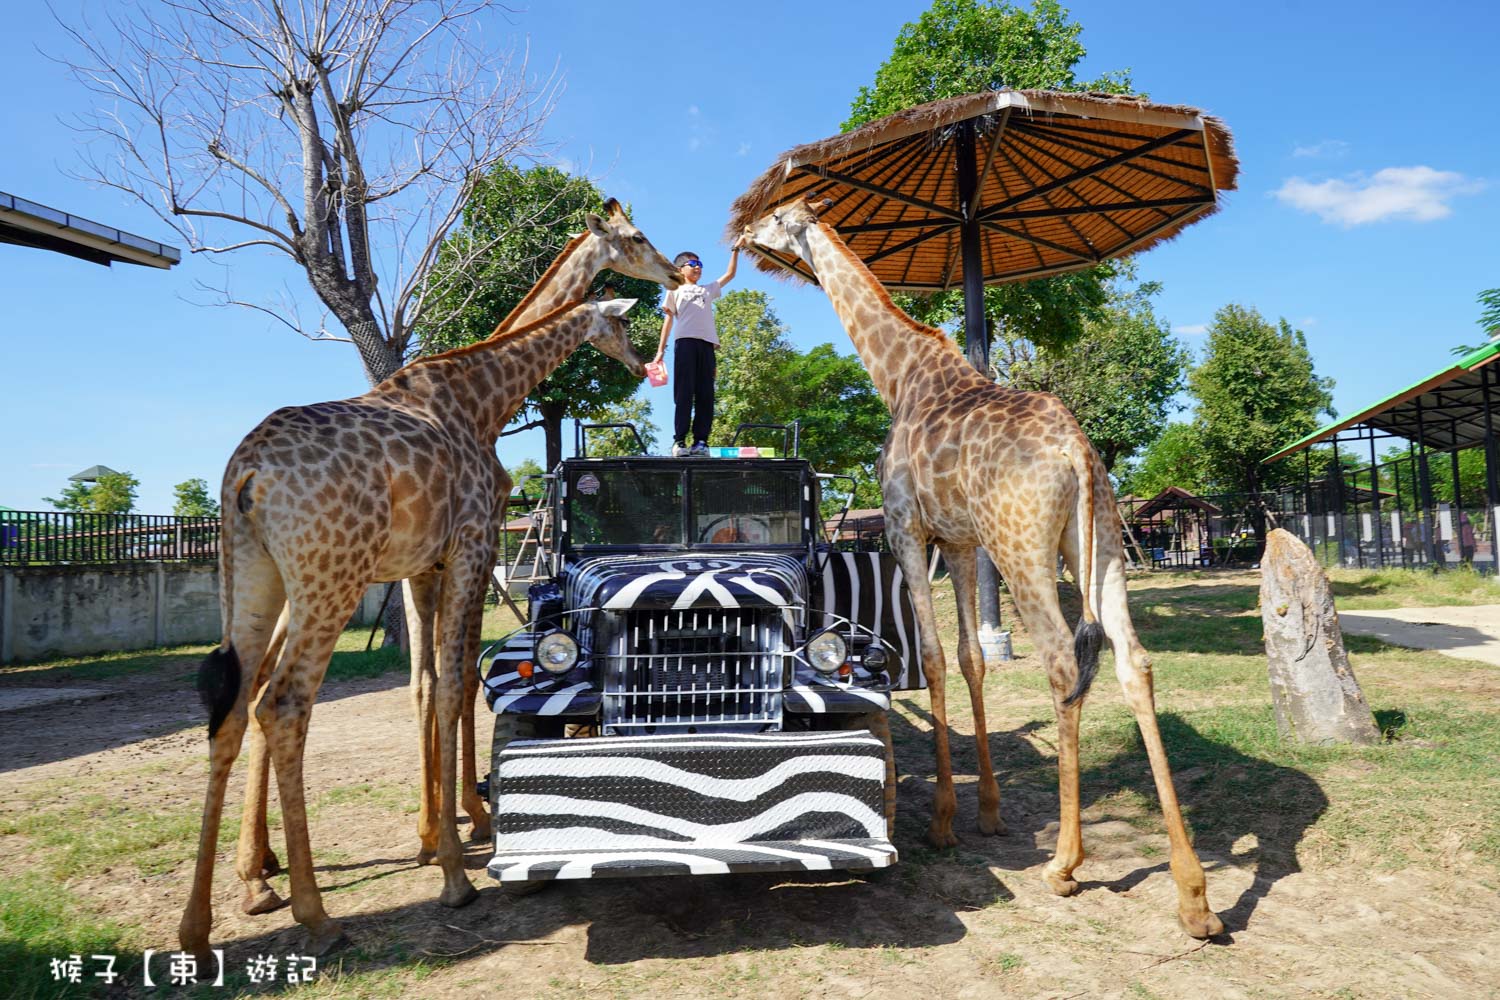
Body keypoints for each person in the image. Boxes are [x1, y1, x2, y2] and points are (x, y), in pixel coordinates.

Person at [653, 239, 744, 456]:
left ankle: (701, 441)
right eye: (692, 263)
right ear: (680, 268)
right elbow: (668, 320)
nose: (697, 267)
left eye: (700, 264)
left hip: (707, 346)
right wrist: (660, 351)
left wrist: (736, 249)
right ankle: (679, 441)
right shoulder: (675, 289)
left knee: (706, 395)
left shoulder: (707, 290)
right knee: (684, 393)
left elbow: (730, 274)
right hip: (684, 343)